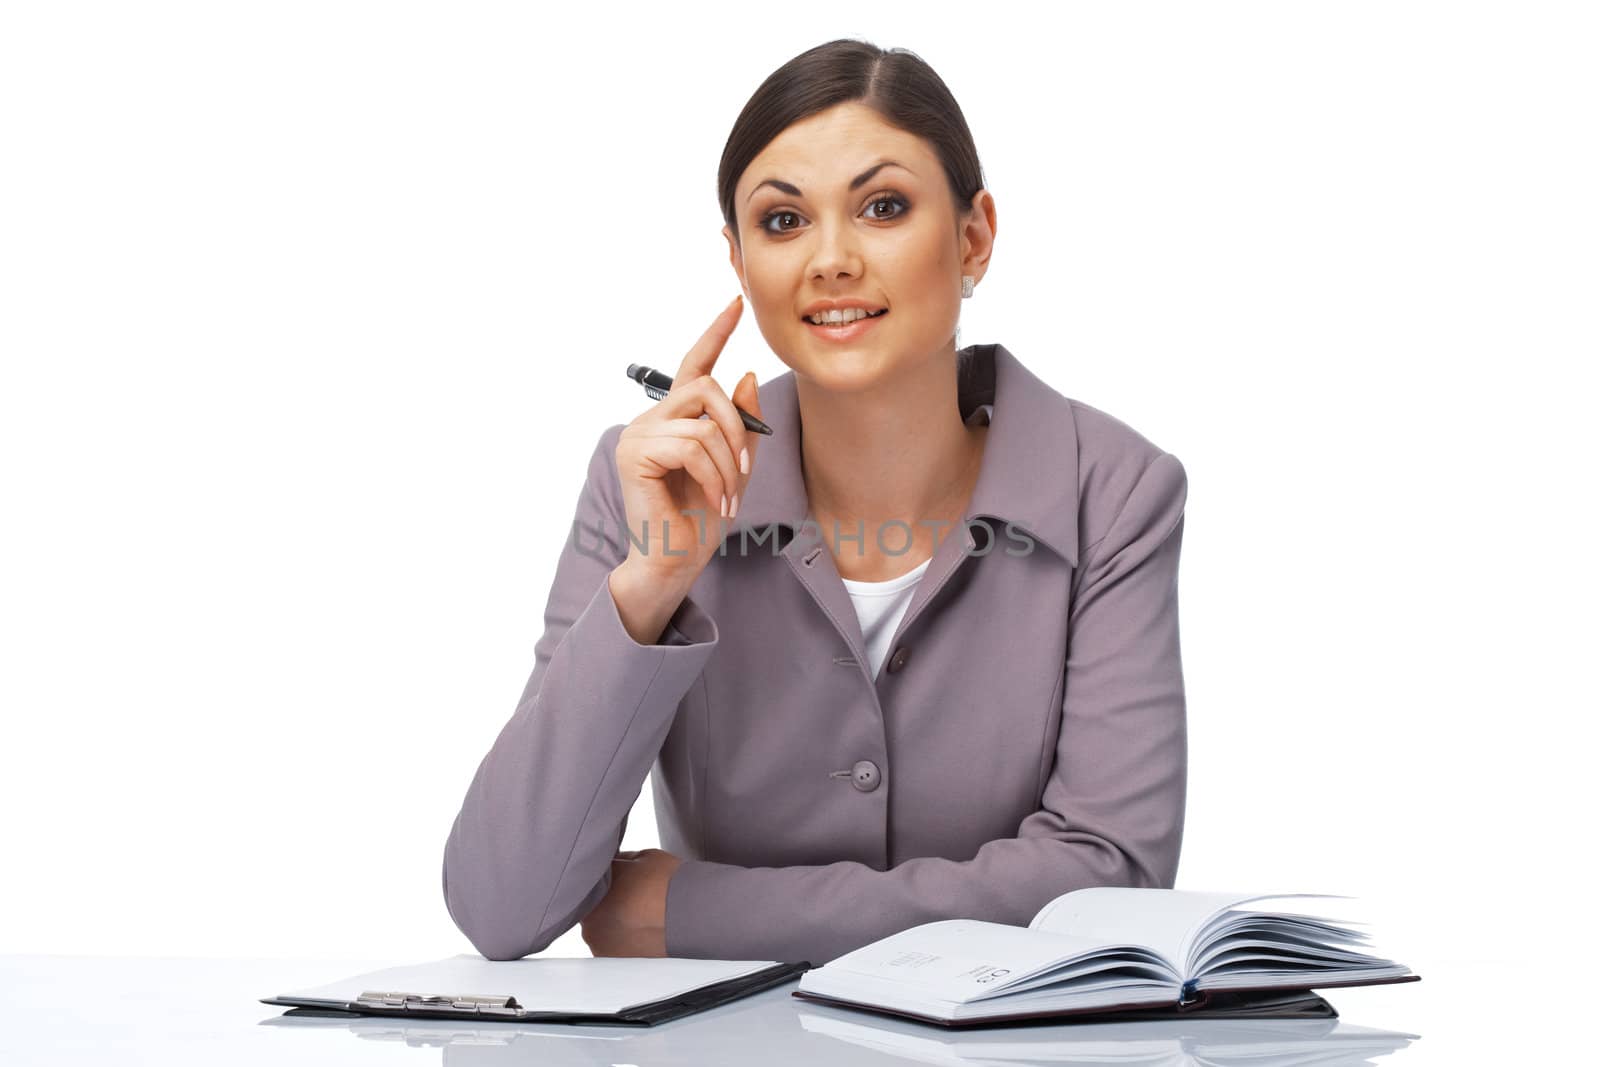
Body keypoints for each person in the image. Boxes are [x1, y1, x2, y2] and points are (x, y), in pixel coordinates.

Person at [441, 38, 1190, 966]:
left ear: (974, 238)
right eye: (784, 220)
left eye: (883, 207)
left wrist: (689, 914)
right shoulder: (645, 483)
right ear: (740, 260)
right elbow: (500, 904)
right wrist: (654, 583)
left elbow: (1110, 883)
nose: (830, 260)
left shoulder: (1112, 491)